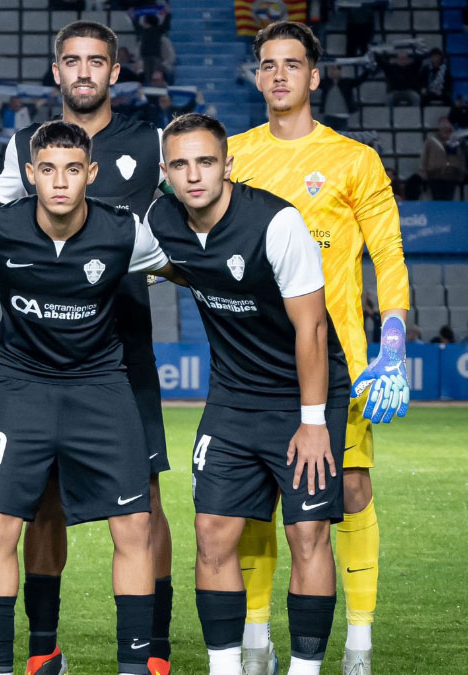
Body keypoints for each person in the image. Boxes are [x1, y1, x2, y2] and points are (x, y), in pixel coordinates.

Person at [0, 120, 181, 675]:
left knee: (136, 526)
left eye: (73, 170)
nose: (60, 182)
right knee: (0, 527)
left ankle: (134, 665)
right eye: (47, 169)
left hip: (102, 387)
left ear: (90, 174)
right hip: (20, 387)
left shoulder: (124, 232)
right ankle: (1, 667)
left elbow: (181, 270)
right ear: (30, 175)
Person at [0, 21, 177, 675]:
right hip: (40, 357)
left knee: (146, 501)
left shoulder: (151, 143)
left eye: (97, 62)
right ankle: (44, 648)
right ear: (56, 70)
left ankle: (154, 651)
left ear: (116, 72)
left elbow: (184, 227)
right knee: (41, 501)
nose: (84, 72)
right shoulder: (25, 148)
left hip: (125, 353)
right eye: (72, 61)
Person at [228, 21, 411, 675]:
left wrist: (392, 343)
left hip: (340, 366)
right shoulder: (233, 157)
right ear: (257, 77)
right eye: (268, 64)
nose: (279, 74)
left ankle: (357, 644)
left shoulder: (354, 159)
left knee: (353, 490)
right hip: (256, 359)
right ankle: (255, 639)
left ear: (315, 75)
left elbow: (388, 253)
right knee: (254, 497)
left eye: (292, 63)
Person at [148, 112, 351, 675]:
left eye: (206, 162)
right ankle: (226, 667)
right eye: (181, 164)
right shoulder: (159, 220)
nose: (194, 175)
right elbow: (158, 264)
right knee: (212, 531)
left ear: (227, 166)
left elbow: (312, 329)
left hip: (304, 397)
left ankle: (306, 669)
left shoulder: (277, 223)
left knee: (306, 531)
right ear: (165, 171)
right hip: (233, 398)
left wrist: (313, 423)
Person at [421, 116, 464, 200]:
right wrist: (424, 171)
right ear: (438, 126)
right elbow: (425, 156)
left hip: (451, 174)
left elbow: (461, 157)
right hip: (434, 174)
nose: (445, 125)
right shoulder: (431, 140)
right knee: (437, 199)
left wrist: (462, 171)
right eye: (442, 123)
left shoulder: (457, 140)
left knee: (449, 199)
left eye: (447, 123)